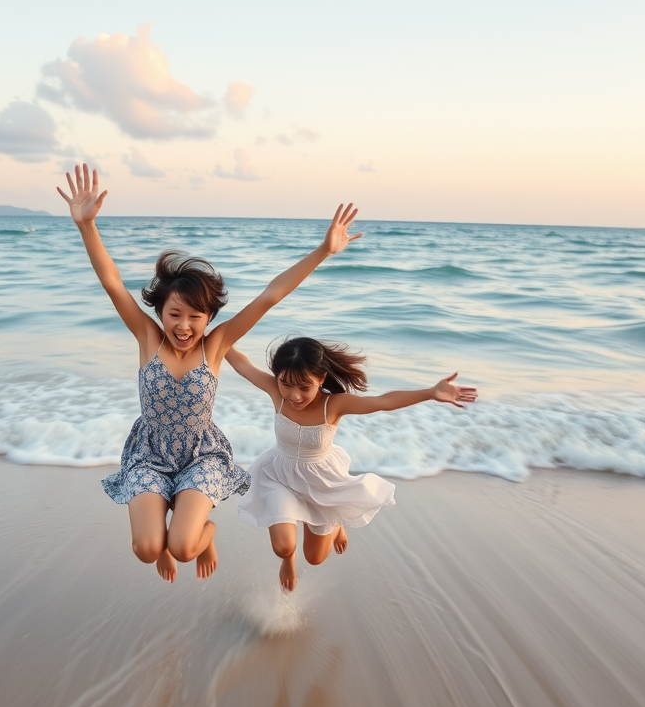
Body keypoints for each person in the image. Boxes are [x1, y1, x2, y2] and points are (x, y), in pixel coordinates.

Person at [56, 164, 361, 582]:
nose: (184, 326)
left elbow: (270, 295)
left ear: (209, 317)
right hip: (150, 452)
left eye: (195, 316)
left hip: (202, 455)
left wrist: (322, 252)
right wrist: (87, 226)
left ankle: (205, 532)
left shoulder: (215, 345)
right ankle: (167, 529)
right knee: (148, 550)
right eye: (174, 314)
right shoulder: (148, 338)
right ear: (159, 313)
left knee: (182, 548)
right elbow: (112, 283)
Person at [225, 337, 477, 591]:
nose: (295, 395)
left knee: (315, 558)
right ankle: (289, 559)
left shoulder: (333, 405)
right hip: (279, 475)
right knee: (283, 546)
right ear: (277, 377)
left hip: (321, 482)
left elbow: (383, 402)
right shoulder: (276, 393)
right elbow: (241, 363)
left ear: (321, 378)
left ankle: (337, 525)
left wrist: (431, 393)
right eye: (286, 384)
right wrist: (204, 332)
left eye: (305, 386)